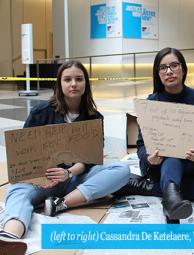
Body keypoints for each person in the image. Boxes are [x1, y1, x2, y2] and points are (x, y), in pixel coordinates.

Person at [0, 61, 130, 254]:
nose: (73, 84)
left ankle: (60, 204)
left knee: (121, 170)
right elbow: (24, 153)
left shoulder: (94, 117)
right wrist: (41, 177)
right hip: (41, 179)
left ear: (86, 83)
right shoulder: (41, 112)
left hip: (74, 178)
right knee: (18, 190)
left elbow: (89, 160)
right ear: (59, 84)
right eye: (67, 79)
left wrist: (68, 173)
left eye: (79, 79)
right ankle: (9, 239)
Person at [114, 47, 194, 221]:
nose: (169, 71)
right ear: (158, 73)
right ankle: (172, 201)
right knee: (172, 154)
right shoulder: (151, 103)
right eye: (163, 68)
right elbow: (141, 144)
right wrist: (148, 158)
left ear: (183, 69)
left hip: (191, 163)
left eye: (174, 65)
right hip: (160, 164)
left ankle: (145, 187)